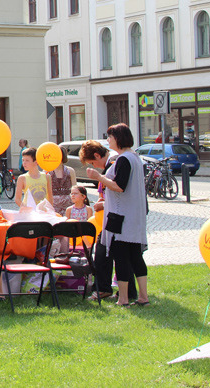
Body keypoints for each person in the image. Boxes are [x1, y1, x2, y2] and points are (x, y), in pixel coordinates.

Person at [87, 124, 150, 307]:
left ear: (118, 138)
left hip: (121, 217)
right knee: (136, 257)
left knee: (122, 257)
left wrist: (98, 177)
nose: (107, 141)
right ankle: (143, 297)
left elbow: (119, 186)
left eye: (110, 137)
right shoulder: (135, 158)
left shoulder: (124, 159)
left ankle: (123, 299)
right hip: (132, 215)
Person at [79, 139, 135, 303]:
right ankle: (114, 289)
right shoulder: (113, 163)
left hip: (119, 216)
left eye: (92, 162)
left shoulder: (114, 163)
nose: (94, 166)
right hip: (113, 216)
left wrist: (103, 203)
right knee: (110, 252)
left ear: (97, 155)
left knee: (109, 252)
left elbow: (120, 189)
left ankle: (107, 289)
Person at [49, 146, 76, 215]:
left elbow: (75, 188)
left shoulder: (70, 171)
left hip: (68, 205)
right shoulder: (47, 172)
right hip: (52, 205)